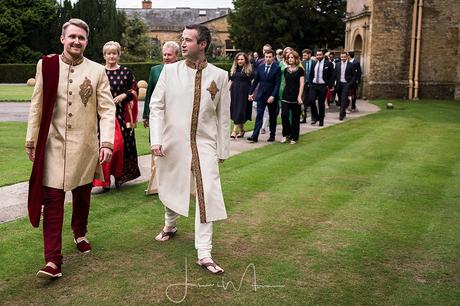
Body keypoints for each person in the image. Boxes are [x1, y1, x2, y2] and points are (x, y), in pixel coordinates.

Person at [25, 18, 115, 279]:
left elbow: (107, 109)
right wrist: (32, 139)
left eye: (82, 38)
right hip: (53, 143)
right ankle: (53, 261)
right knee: (52, 200)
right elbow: (37, 104)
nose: (77, 41)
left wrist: (106, 142)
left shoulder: (97, 70)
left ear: (87, 42)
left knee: (82, 192)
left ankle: (79, 232)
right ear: (62, 39)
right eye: (72, 36)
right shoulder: (48, 64)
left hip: (85, 145)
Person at [149, 24, 230, 275]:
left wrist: (222, 150)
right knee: (173, 184)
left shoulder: (220, 76)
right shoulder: (169, 72)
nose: (183, 44)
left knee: (208, 194)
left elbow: (223, 116)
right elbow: (156, 106)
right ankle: (170, 225)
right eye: (181, 40)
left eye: (188, 40)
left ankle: (204, 252)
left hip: (204, 145)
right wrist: (156, 139)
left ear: (202, 44)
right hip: (172, 141)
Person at [92, 41, 140, 192]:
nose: (111, 56)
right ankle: (104, 182)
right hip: (101, 116)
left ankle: (120, 177)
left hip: (121, 116)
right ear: (104, 55)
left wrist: (123, 96)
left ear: (119, 55)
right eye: (108, 53)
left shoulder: (126, 72)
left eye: (114, 53)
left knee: (120, 147)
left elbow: (134, 90)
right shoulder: (98, 72)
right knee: (103, 147)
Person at [142, 41, 179, 195]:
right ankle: (154, 185)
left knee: (172, 148)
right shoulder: (155, 70)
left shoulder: (182, 70)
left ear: (176, 56)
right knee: (156, 145)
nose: (166, 57)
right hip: (157, 115)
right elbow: (149, 93)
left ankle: (173, 183)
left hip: (175, 116)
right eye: (164, 54)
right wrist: (145, 115)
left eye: (169, 55)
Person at [247, 49, 281, 143]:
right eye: (266, 57)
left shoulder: (277, 68)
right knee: (259, 116)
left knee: (272, 116)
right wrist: (251, 93)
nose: (268, 59)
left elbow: (277, 84)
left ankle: (272, 135)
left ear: (273, 57)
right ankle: (255, 136)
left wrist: (273, 96)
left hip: (271, 96)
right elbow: (256, 81)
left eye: (270, 57)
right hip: (261, 95)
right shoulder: (260, 67)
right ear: (264, 57)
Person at [280, 51, 304, 144]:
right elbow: (285, 83)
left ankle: (294, 137)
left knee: (295, 118)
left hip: (295, 96)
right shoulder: (286, 70)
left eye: (292, 57)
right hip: (286, 95)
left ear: (296, 59)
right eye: (289, 57)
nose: (290, 59)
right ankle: (286, 134)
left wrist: (299, 96)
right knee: (284, 115)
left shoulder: (300, 70)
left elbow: (302, 84)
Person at [229, 52, 254, 139]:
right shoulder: (234, 69)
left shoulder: (249, 70)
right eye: (238, 59)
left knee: (240, 111)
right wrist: (225, 92)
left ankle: (234, 131)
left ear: (245, 60)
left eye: (242, 59)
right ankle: (242, 130)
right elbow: (231, 81)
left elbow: (253, 83)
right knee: (236, 111)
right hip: (235, 93)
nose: (240, 61)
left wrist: (252, 94)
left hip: (244, 93)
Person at [308, 49, 334, 126]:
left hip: (323, 86)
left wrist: (329, 85)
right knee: (311, 101)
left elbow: (332, 75)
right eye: (317, 55)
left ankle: (321, 120)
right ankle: (316, 116)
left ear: (323, 55)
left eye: (320, 55)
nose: (318, 56)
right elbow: (311, 74)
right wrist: (310, 83)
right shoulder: (314, 63)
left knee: (321, 104)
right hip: (314, 85)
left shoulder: (328, 64)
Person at [334, 51, 356, 120]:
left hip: (346, 84)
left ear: (347, 57)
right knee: (340, 100)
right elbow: (334, 75)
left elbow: (354, 76)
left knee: (344, 98)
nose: (343, 58)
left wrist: (350, 83)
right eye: (341, 57)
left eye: (344, 57)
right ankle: (343, 112)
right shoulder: (337, 64)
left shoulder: (351, 65)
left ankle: (341, 115)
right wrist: (332, 84)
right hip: (339, 84)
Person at [301, 48, 313, 123]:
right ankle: (304, 118)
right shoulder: (302, 63)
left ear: (309, 55)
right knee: (304, 102)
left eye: (305, 55)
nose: (304, 57)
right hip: (304, 84)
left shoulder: (314, 63)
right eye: (303, 55)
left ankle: (313, 117)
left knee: (312, 101)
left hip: (312, 84)